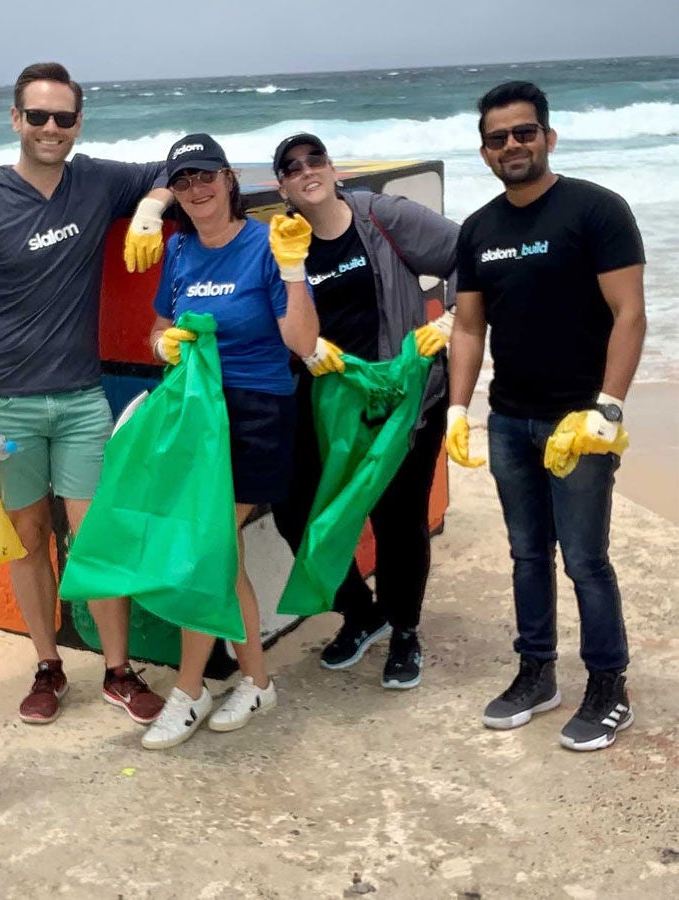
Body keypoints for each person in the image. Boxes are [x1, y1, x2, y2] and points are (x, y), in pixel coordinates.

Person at [0, 62, 176, 727]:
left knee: (96, 533)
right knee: (27, 537)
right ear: (15, 119)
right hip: (6, 404)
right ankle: (47, 664)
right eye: (37, 116)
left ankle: (119, 670)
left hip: (79, 401)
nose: (50, 128)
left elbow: (175, 164)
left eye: (63, 117)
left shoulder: (98, 181)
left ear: (78, 123)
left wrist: (152, 209)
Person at [448, 81, 646, 752]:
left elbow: (629, 313)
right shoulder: (478, 230)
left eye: (524, 132)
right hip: (509, 422)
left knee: (586, 560)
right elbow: (469, 329)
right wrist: (457, 407)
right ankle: (537, 673)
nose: (513, 145)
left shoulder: (597, 211)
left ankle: (606, 684)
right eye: (499, 138)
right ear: (484, 152)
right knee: (527, 554)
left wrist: (607, 409)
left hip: (578, 425)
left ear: (548, 137)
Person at [139, 134, 342, 750]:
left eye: (206, 176)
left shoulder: (263, 244)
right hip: (196, 416)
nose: (196, 189)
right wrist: (160, 345)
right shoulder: (178, 251)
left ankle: (190, 688)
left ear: (228, 179)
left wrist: (292, 270)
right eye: (183, 181)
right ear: (173, 193)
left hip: (256, 412)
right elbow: (159, 324)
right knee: (219, 557)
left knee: (207, 552)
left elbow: (302, 342)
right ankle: (255, 679)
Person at [267, 132, 459, 690]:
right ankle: (361, 611)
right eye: (293, 166)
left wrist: (451, 320)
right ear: (282, 185)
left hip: (402, 395)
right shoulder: (283, 243)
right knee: (295, 508)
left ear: (334, 170)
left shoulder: (382, 218)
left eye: (315, 159)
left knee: (398, 519)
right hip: (328, 403)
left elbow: (472, 254)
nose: (307, 170)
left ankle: (405, 630)